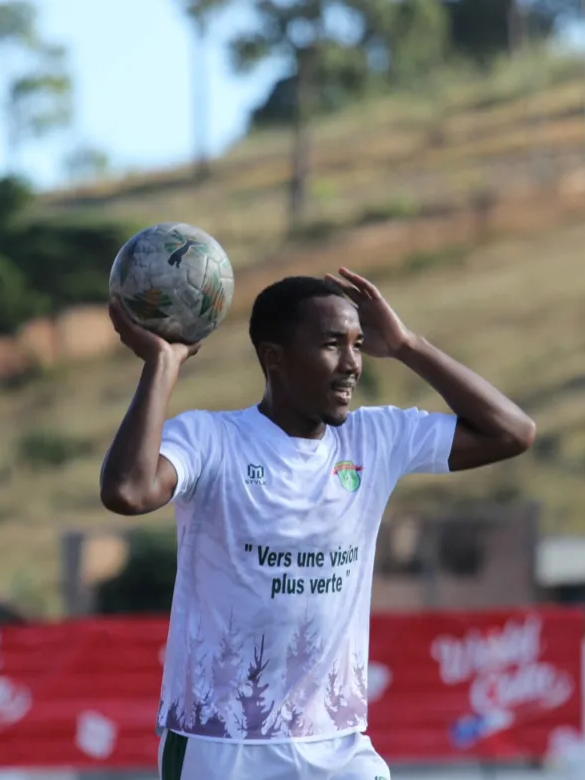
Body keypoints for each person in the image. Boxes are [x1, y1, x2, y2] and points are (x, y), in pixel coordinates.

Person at [100, 269, 535, 780]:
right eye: (332, 344)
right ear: (274, 358)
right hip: (220, 744)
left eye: (358, 344)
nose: (352, 363)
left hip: (338, 744)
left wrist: (406, 345)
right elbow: (127, 491)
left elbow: (512, 433)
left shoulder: (374, 438)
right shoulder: (211, 439)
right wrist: (162, 364)